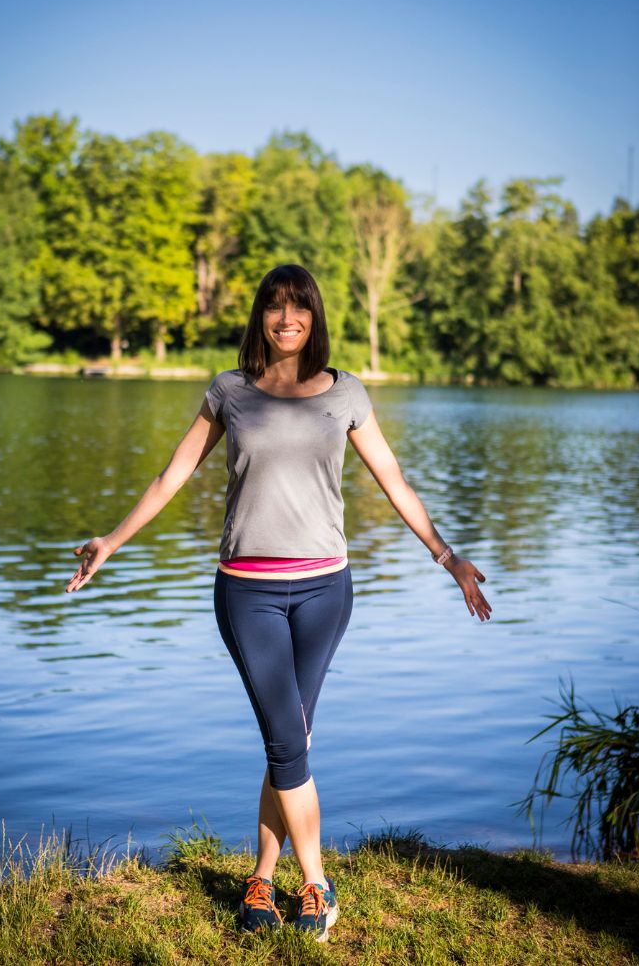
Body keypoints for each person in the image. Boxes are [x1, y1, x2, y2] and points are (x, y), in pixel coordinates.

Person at [65, 263, 492, 943]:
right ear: (260, 316)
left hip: (327, 590)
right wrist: (112, 542)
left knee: (289, 738)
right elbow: (171, 473)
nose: (286, 317)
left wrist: (448, 557)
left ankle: (262, 874)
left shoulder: (344, 392)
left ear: (315, 316)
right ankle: (318, 882)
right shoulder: (230, 392)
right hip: (247, 591)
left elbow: (393, 479)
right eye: (274, 306)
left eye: (299, 306)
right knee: (289, 738)